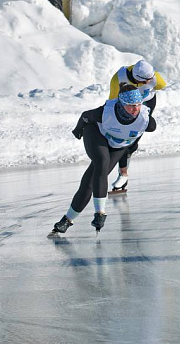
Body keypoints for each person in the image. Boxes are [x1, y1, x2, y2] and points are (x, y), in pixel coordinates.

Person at [50, 86, 157, 235]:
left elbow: (139, 130)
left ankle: (67, 220)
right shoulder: (105, 112)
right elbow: (85, 116)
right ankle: (100, 213)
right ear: (121, 103)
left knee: (90, 182)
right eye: (131, 106)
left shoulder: (148, 122)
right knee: (102, 162)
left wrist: (133, 144)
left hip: (118, 145)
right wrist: (78, 129)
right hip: (96, 133)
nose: (135, 109)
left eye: (138, 105)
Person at [108, 60, 167, 193]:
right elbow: (112, 102)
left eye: (150, 80)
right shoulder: (118, 79)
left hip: (146, 104)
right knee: (125, 139)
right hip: (127, 107)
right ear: (136, 78)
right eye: (145, 82)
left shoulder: (152, 77)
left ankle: (123, 174)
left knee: (132, 141)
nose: (148, 83)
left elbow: (162, 85)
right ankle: (123, 174)